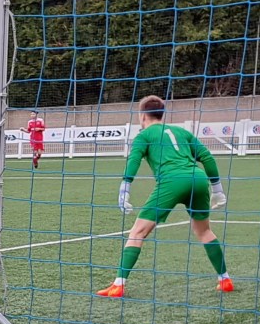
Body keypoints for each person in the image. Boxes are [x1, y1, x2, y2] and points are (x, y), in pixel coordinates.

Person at [98, 95, 231, 298]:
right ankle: (225, 279)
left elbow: (134, 160)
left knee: (137, 232)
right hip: (198, 178)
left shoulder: (144, 135)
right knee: (204, 231)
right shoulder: (182, 132)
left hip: (172, 181)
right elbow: (207, 157)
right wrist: (218, 189)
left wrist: (125, 187)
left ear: (143, 115)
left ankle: (118, 285)